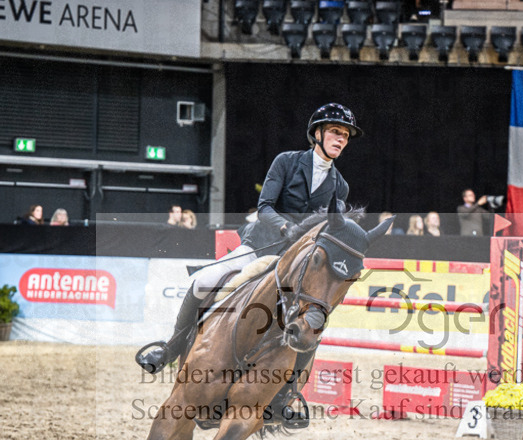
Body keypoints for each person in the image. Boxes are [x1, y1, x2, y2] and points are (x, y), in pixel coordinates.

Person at [136, 103, 361, 377]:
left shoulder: (340, 186)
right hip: (259, 247)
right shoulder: (286, 162)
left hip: (296, 266)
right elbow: (265, 206)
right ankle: (170, 348)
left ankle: (292, 395)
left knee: (313, 318)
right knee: (204, 281)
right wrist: (284, 228)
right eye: (336, 131)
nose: (341, 139)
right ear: (317, 133)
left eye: (346, 136)